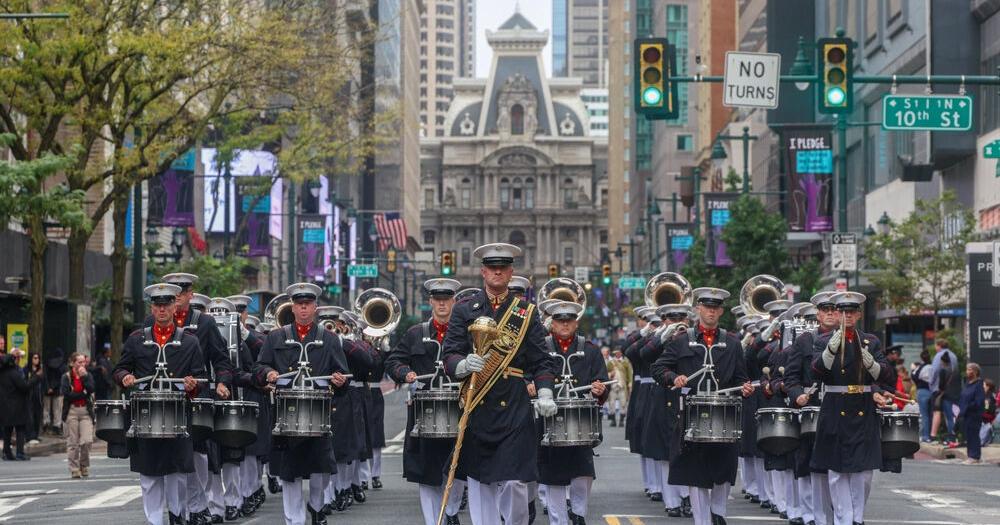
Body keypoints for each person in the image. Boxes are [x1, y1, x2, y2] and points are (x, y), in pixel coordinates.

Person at [442, 243, 558, 525]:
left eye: (503, 267)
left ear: (510, 272)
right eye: (492, 267)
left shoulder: (525, 312)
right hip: (478, 401)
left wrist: (545, 393)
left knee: (515, 481)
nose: (497, 272)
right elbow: (450, 353)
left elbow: (541, 360)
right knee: (481, 481)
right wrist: (463, 364)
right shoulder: (464, 309)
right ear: (483, 272)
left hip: (514, 406)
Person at [652, 287, 754, 525]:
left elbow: (741, 378)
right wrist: (673, 377)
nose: (711, 311)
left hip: (724, 416)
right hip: (692, 413)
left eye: (715, 308)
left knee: (723, 470)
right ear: (698, 308)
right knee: (695, 473)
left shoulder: (732, 343)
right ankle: (701, 520)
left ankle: (718, 513)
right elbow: (658, 368)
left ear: (721, 311)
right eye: (707, 307)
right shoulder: (681, 340)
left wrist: (745, 388)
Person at [254, 283, 350, 525]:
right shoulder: (276, 336)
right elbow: (259, 366)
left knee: (321, 471)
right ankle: (294, 520)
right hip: (286, 414)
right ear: (293, 308)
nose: (304, 308)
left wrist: (339, 380)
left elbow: (342, 374)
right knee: (290, 473)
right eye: (299, 304)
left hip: (319, 414)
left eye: (308, 304)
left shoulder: (329, 339)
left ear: (315, 307)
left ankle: (316, 505)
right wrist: (268, 373)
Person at [114, 283, 208, 525]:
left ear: (175, 306)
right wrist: (125, 377)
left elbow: (201, 377)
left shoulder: (189, 341)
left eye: (167, 304)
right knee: (149, 474)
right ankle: (154, 520)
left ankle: (178, 516)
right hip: (145, 414)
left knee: (177, 473)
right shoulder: (137, 339)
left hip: (178, 414)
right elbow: (120, 368)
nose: (162, 309)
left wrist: (192, 384)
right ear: (152, 308)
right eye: (157, 305)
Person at [385, 277, 467, 525]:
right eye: (437, 299)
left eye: (446, 299)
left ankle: (451, 512)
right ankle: (434, 521)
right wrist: (405, 373)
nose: (442, 304)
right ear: (431, 301)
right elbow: (393, 361)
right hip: (424, 413)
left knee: (458, 468)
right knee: (426, 471)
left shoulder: (465, 334)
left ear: (454, 301)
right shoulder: (415, 334)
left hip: (458, 409)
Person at [154, 273, 234, 525]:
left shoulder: (205, 323)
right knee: (168, 455)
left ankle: (198, 506)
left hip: (196, 396)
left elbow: (221, 359)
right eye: (174, 292)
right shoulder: (152, 322)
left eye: (183, 291)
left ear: (190, 294)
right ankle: (178, 509)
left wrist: (222, 382)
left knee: (198, 453)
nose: (178, 296)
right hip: (163, 399)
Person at [810, 292, 890, 525]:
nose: (847, 316)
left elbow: (886, 374)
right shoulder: (823, 341)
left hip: (862, 405)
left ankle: (857, 516)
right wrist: (829, 351)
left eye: (851, 312)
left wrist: (872, 364)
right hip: (835, 406)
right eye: (843, 312)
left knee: (864, 472)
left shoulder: (870, 341)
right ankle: (843, 519)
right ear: (837, 314)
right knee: (837, 472)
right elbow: (816, 372)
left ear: (858, 315)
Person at [537, 300, 609, 525]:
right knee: (553, 476)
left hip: (581, 421)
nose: (565, 324)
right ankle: (558, 520)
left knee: (583, 472)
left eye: (569, 320)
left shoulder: (590, 350)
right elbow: (530, 374)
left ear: (576, 323)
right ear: (552, 323)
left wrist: (600, 389)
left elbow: (602, 380)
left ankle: (578, 513)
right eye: (560, 321)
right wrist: (530, 385)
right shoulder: (541, 348)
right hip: (549, 418)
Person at [639, 304, 692, 518]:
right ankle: (672, 502)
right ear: (664, 320)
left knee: (688, 449)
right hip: (664, 397)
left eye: (681, 318)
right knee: (665, 451)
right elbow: (642, 354)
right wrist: (662, 335)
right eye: (672, 318)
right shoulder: (659, 338)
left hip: (687, 395)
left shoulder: (692, 337)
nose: (677, 322)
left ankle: (687, 495)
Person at [61, 352, 96, 478]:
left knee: (87, 441)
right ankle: (74, 468)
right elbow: (67, 395)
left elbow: (91, 389)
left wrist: (84, 378)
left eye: (84, 362)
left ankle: (83, 465)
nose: (82, 365)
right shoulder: (66, 377)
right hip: (72, 411)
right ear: (72, 363)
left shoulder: (87, 375)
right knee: (73, 443)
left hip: (85, 411)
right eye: (79, 362)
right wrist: (83, 393)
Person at [1, 346, 37, 461]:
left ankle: (7, 452)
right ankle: (20, 453)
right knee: (20, 428)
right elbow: (24, 387)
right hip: (17, 406)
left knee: (7, 430)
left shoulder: (2, 373)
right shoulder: (14, 373)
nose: (18, 360)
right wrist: (35, 378)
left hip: (5, 405)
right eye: (16, 358)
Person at [929, 339, 958, 445]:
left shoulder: (938, 356)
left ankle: (933, 436)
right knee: (949, 414)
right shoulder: (954, 356)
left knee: (937, 412)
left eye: (936, 345)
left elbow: (934, 371)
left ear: (939, 345)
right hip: (950, 389)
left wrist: (931, 384)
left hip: (938, 389)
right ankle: (951, 435)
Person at [958, 363, 986, 464]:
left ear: (975, 372)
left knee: (973, 434)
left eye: (970, 370)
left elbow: (979, 401)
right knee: (968, 434)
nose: (967, 372)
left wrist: (968, 407)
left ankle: (975, 456)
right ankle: (971, 455)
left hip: (974, 414)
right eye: (967, 369)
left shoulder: (978, 385)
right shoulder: (967, 384)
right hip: (965, 414)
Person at [42, 347, 67, 435]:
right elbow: (61, 378)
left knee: (46, 408)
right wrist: (54, 387)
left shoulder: (46, 364)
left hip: (47, 389)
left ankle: (46, 424)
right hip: (58, 389)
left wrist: (48, 387)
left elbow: (45, 376)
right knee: (57, 409)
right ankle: (57, 426)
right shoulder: (63, 365)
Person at [912, 350, 934, 443]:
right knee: (931, 414)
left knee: (924, 415)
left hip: (922, 391)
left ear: (921, 358)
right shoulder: (932, 366)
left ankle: (925, 436)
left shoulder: (920, 367)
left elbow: (914, 376)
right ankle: (931, 435)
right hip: (932, 391)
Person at [606, 349, 631, 427]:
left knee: (623, 403)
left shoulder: (625, 363)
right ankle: (613, 420)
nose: (618, 354)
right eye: (616, 353)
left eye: (619, 352)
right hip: (613, 386)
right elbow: (606, 373)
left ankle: (621, 420)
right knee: (612, 403)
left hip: (622, 386)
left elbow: (629, 373)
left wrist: (630, 382)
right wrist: (610, 374)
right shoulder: (611, 363)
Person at [24, 352, 45, 444]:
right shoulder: (26, 369)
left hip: (38, 396)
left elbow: (44, 382)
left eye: (38, 358)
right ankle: (29, 436)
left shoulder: (40, 370)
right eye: (35, 358)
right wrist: (36, 375)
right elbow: (27, 383)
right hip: (29, 396)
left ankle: (35, 435)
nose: (37, 360)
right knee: (30, 417)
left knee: (37, 416)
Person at [983, 379, 997, 446]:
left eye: (983, 385)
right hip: (986, 416)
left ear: (987, 387)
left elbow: (986, 409)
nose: (982, 386)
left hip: (988, 417)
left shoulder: (988, 397)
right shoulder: (987, 395)